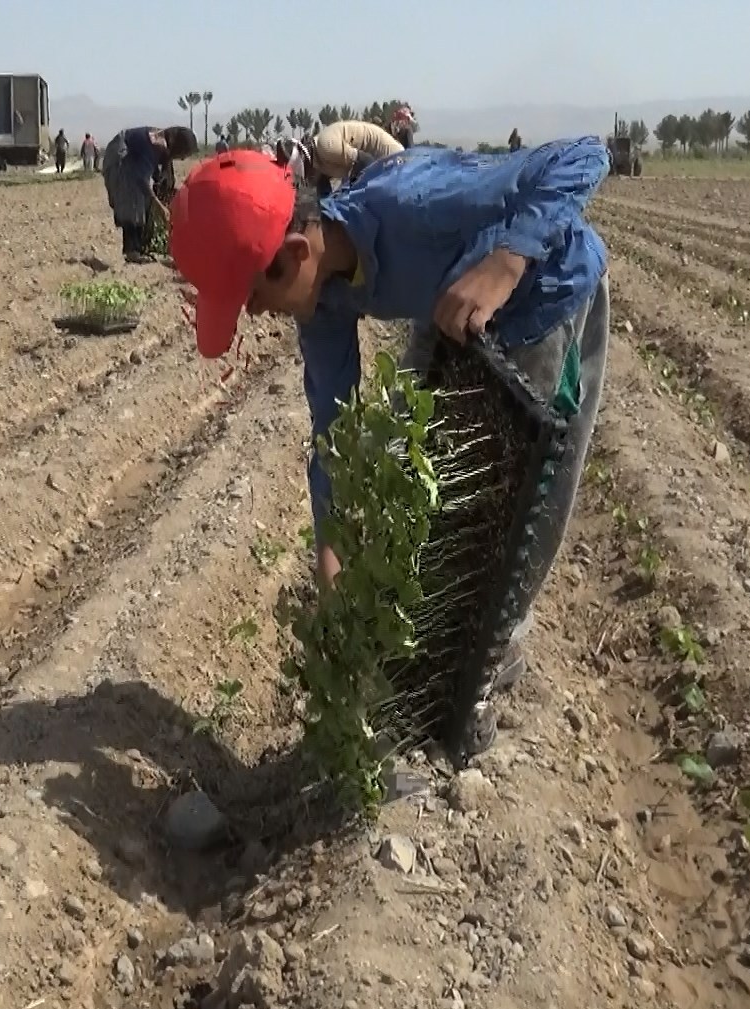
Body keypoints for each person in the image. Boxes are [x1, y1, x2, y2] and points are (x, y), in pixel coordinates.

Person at [170, 136, 611, 703]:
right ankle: (420, 643)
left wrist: (506, 260)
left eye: (254, 298)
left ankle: (491, 655)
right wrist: (330, 551)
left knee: (518, 495)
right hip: (448, 303)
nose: (256, 314)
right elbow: (335, 431)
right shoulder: (322, 302)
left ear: (295, 256)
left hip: (543, 288)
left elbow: (585, 156)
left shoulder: (413, 202)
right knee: (412, 472)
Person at [101, 125, 198, 262]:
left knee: (147, 200)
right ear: (179, 148)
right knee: (133, 197)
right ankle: (132, 251)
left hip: (134, 158)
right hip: (120, 154)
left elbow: (165, 183)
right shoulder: (155, 146)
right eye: (183, 155)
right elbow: (141, 181)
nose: (181, 159)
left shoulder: (165, 147)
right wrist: (160, 207)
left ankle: (143, 246)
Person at [311, 119, 403, 196]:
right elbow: (322, 183)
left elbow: (366, 161)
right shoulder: (322, 158)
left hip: (393, 156)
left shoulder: (327, 146)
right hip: (375, 157)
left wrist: (351, 196)